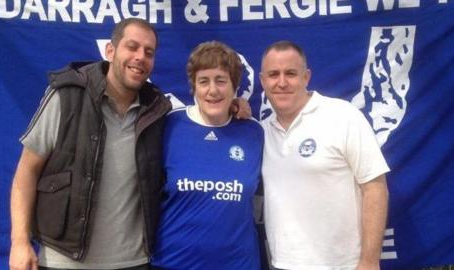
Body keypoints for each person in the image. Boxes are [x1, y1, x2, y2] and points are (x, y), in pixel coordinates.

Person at [9, 18, 171, 270]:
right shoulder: (67, 96)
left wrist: (235, 109)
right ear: (110, 50)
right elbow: (27, 171)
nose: (140, 57)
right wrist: (19, 242)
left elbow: (201, 119)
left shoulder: (157, 110)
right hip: (63, 261)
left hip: (133, 263)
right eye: (132, 47)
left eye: (148, 52)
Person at [259, 41, 390, 270]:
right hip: (282, 265)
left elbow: (375, 187)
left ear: (306, 77)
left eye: (290, 73)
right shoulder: (259, 132)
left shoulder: (342, 116)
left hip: (343, 265)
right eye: (273, 75)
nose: (281, 82)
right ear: (262, 81)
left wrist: (369, 261)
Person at [151, 41, 264, 270]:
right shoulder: (168, 125)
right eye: (204, 81)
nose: (213, 90)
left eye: (221, 80)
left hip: (238, 264)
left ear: (235, 86)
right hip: (172, 263)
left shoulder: (254, 132)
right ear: (193, 86)